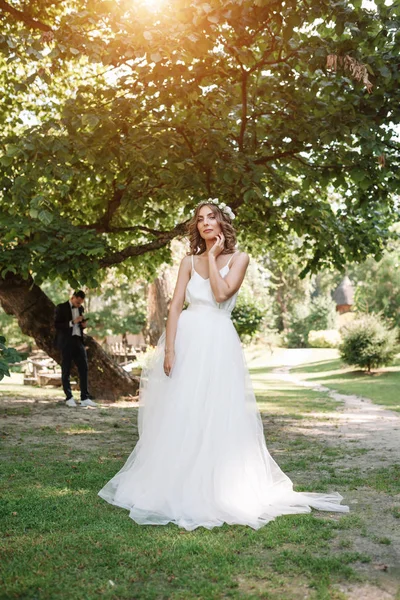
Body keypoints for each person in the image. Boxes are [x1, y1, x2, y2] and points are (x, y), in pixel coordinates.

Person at [98, 199, 349, 530]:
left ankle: (218, 487)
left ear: (222, 223)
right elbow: (174, 307)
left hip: (218, 341)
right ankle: (175, 482)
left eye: (211, 217)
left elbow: (220, 295)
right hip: (187, 340)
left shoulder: (240, 258)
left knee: (216, 410)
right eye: (199, 219)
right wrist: (170, 349)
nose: (205, 223)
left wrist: (214, 257)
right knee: (183, 409)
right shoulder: (187, 261)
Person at [54, 290, 97, 408]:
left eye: (80, 303)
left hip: (78, 341)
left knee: (84, 368)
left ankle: (84, 398)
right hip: (66, 342)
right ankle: (69, 397)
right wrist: (72, 322)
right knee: (66, 369)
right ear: (73, 298)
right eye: (77, 302)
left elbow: (80, 325)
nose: (79, 305)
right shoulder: (61, 307)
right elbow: (57, 325)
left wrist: (83, 326)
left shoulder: (81, 309)